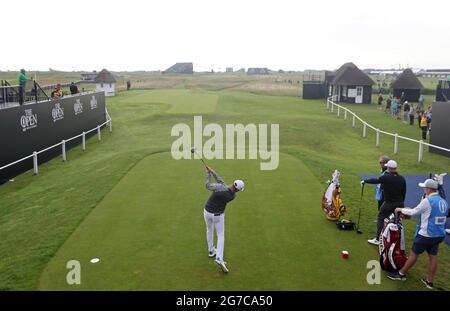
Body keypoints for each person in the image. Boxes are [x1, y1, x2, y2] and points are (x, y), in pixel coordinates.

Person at [387, 179, 449, 289]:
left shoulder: (428, 200)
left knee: (413, 255)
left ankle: (401, 274)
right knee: (433, 257)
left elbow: (413, 212)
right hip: (439, 234)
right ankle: (429, 281)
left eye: (425, 188)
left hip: (425, 234)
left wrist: (400, 209)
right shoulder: (444, 201)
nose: (424, 189)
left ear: (429, 189)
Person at [203, 166, 244, 273]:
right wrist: (212, 172)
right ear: (238, 190)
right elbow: (221, 182)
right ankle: (219, 258)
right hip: (218, 215)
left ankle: (211, 250)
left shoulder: (220, 188)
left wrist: (208, 174)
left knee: (209, 230)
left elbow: (208, 185)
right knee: (221, 235)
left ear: (233, 183)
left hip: (207, 212)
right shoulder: (232, 195)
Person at [362, 160, 406, 245]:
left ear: (388, 168)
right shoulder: (402, 178)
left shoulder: (386, 177)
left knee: (380, 218)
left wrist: (365, 181)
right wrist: (401, 205)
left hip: (389, 203)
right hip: (400, 204)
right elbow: (404, 192)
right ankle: (396, 241)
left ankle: (378, 239)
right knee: (397, 222)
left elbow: (375, 180)